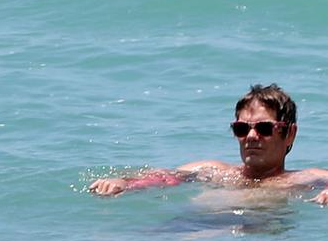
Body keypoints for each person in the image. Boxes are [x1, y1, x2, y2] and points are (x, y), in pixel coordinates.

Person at [89, 83, 328, 205]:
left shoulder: (305, 179)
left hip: (255, 238)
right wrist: (124, 183)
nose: (252, 136)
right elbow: (164, 177)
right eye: (242, 129)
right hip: (193, 232)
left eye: (264, 128)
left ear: (290, 134)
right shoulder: (213, 172)